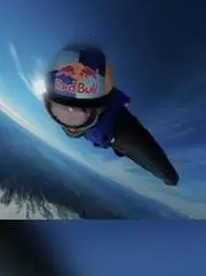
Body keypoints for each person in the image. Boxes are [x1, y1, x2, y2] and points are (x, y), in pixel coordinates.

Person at [43, 45, 179, 186]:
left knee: (124, 147)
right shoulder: (94, 117)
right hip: (108, 134)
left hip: (115, 135)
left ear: (100, 111)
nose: (70, 126)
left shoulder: (122, 131)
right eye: (60, 110)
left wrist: (169, 178)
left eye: (81, 113)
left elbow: (151, 157)